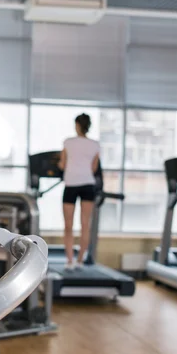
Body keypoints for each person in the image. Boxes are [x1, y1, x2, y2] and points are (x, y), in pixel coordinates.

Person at [57, 113, 100, 270]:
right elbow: (94, 168)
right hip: (88, 184)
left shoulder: (68, 142)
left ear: (77, 125)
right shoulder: (95, 144)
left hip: (71, 184)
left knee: (68, 225)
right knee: (85, 225)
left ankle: (69, 261)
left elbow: (62, 164)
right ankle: (80, 260)